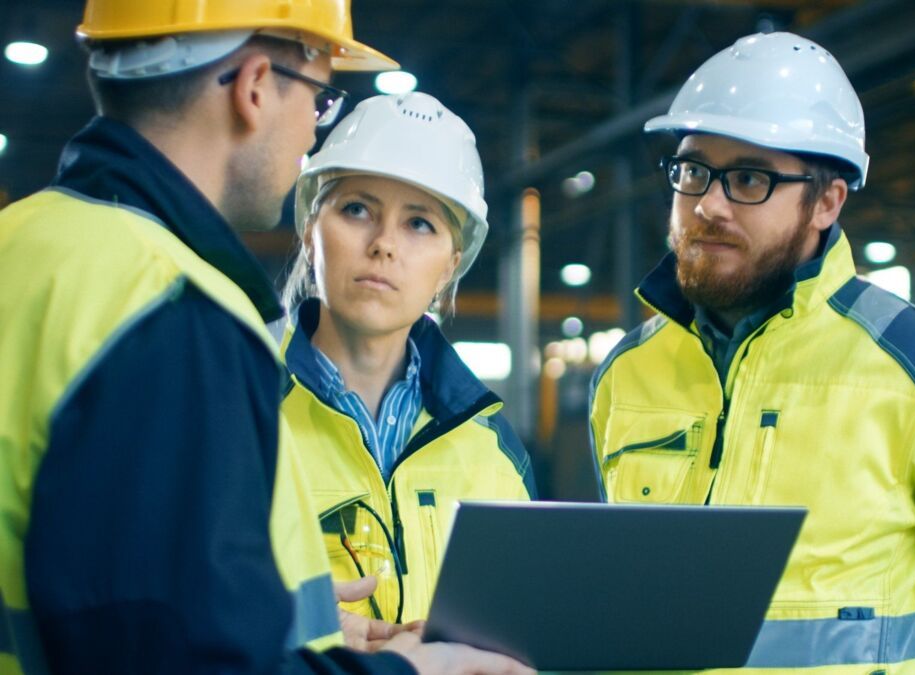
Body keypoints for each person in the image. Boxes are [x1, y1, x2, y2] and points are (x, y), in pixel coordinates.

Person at [0, 1, 531, 673]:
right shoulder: (173, 313)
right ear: (255, 88)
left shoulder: (21, 241)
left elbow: (117, 595)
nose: (312, 130)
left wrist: (291, 618)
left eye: (420, 224)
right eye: (319, 97)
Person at [589, 32, 915, 673]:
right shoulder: (626, 373)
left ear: (827, 201)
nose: (708, 205)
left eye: (748, 178)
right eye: (693, 171)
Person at [281, 92, 536, 624]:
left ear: (449, 268)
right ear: (311, 234)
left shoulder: (493, 449)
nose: (384, 245)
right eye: (356, 210)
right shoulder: (238, 409)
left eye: (419, 224)